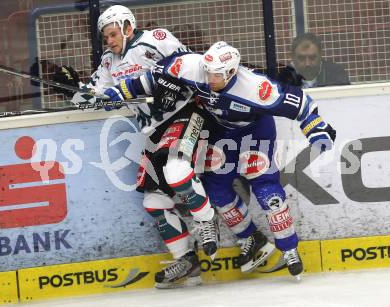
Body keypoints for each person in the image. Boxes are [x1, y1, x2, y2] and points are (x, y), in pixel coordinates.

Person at [103, 41, 336, 277]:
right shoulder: (192, 66)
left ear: (232, 72)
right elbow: (151, 79)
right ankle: (250, 238)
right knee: (216, 191)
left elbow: (303, 105)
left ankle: (289, 248)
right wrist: (117, 92)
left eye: (217, 74)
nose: (209, 77)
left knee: (267, 189)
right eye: (208, 70)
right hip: (221, 132)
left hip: (255, 131)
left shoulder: (256, 88)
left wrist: (316, 129)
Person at [53, 5, 220, 289]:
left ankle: (206, 220)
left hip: (184, 114)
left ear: (128, 27)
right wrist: (72, 89)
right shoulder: (109, 61)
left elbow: (190, 67)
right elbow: (98, 97)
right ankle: (186, 259)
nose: (110, 41)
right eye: (106, 37)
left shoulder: (156, 39)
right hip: (154, 131)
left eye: (114, 34)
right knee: (154, 202)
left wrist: (172, 88)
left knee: (177, 170)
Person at [278, 32, 350, 88]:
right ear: (292, 57)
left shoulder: (335, 73)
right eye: (301, 58)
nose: (307, 63)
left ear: (320, 55)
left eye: (312, 58)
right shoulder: (284, 78)